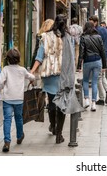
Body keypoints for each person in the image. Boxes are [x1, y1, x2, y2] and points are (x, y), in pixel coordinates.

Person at [31, 14, 83, 144]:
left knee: (52, 103)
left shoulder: (46, 37)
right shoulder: (69, 38)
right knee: (62, 105)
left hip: (49, 75)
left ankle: (53, 125)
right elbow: (71, 59)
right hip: (63, 76)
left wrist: (31, 72)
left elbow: (39, 56)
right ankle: (59, 134)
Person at [0, 48, 35, 152]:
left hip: (7, 99)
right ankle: (19, 136)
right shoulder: (22, 70)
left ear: (8, 59)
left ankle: (7, 142)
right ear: (18, 59)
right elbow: (32, 77)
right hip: (19, 99)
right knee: (19, 118)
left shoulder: (5, 69)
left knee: (7, 120)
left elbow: (0, 83)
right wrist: (32, 79)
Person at [77, 21, 107, 111]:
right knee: (94, 82)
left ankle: (86, 100)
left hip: (87, 61)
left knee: (85, 80)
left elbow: (81, 52)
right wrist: (105, 65)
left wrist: (79, 66)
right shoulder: (98, 37)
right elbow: (102, 51)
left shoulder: (83, 37)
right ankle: (93, 103)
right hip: (97, 61)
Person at [89, 15, 107, 105]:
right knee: (101, 76)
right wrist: (106, 48)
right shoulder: (105, 30)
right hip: (106, 56)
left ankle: (102, 97)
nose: (90, 24)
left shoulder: (95, 32)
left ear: (95, 22)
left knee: (98, 77)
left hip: (99, 56)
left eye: (91, 22)